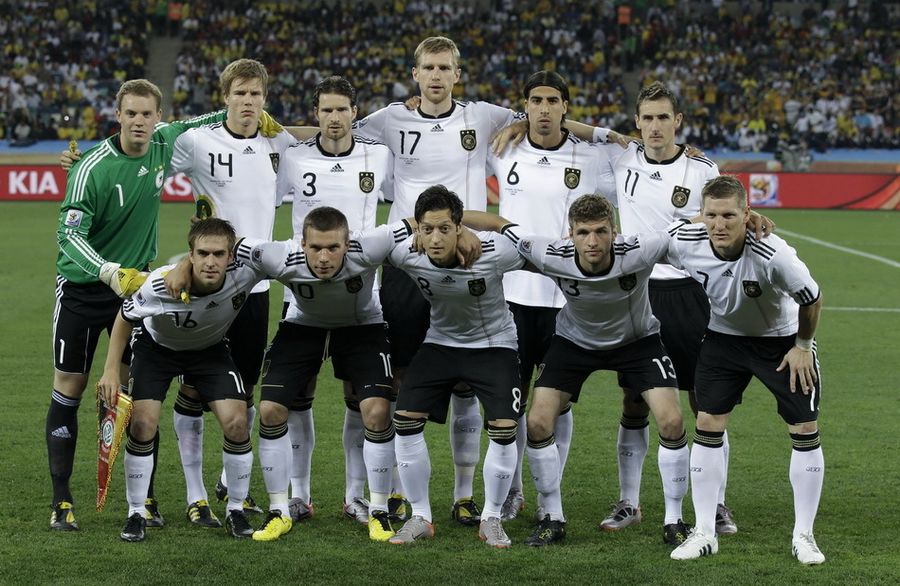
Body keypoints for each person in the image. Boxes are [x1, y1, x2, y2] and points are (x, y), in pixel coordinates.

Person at [48, 79, 224, 531]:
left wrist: (248, 115)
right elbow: (69, 236)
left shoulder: (164, 142)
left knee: (135, 392)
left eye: (148, 114)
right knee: (71, 384)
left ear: (156, 116)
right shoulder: (93, 168)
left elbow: (203, 119)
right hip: (86, 288)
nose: (140, 122)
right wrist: (109, 270)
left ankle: (143, 498)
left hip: (139, 291)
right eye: (132, 114)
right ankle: (61, 499)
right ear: (118, 115)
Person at [467, 194, 690, 547]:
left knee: (672, 421)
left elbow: (688, 228)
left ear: (614, 232)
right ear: (569, 234)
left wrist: (748, 219)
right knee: (538, 421)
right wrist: (452, 222)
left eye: (601, 231)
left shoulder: (640, 250)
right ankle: (552, 517)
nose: (592, 241)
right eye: (583, 232)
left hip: (637, 342)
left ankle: (674, 519)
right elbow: (502, 227)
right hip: (574, 343)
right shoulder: (550, 253)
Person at [599, 81, 737, 540]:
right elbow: (569, 130)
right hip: (636, 293)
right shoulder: (621, 160)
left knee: (705, 400)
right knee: (634, 398)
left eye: (664, 117)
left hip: (692, 294)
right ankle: (629, 501)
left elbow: (727, 214)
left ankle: (715, 503)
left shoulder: (702, 169)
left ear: (678, 121)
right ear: (636, 123)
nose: (656, 126)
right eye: (647, 118)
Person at [668, 176, 825, 565]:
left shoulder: (774, 254)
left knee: (804, 427)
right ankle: (704, 532)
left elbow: (812, 297)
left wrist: (803, 346)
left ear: (747, 215)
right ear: (700, 216)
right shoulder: (685, 241)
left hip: (782, 341)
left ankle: (804, 536)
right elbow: (651, 242)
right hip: (723, 339)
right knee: (707, 422)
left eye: (729, 215)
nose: (719, 224)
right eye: (712, 216)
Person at [165, 58, 294, 527]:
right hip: (206, 285)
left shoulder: (278, 143)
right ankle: (195, 494)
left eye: (255, 95)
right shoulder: (197, 141)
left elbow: (319, 134)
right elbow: (148, 155)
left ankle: (226, 480)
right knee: (195, 385)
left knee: (243, 386)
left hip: (253, 288)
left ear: (264, 101)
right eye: (239, 94)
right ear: (225, 97)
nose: (247, 102)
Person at [234, 207, 414, 542]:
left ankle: (376, 510)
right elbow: (232, 246)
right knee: (272, 410)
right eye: (315, 247)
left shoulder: (371, 245)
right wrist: (184, 267)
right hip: (303, 327)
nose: (324, 257)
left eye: (333, 247)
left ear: (349, 244)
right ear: (302, 244)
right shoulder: (281, 256)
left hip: (361, 327)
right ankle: (280, 510)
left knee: (376, 410)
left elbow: (420, 223)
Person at [486, 70, 620, 520]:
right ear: (524, 106)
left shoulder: (591, 160)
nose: (543, 108)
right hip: (512, 296)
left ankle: (551, 492)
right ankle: (515, 491)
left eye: (552, 101)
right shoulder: (503, 149)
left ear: (566, 106)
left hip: (568, 299)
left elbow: (633, 157)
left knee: (558, 401)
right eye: (535, 101)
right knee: (515, 398)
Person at [96, 218, 265, 542]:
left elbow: (276, 258)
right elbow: (125, 318)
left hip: (210, 351)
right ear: (191, 254)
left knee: (237, 422)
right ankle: (136, 512)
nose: (211, 261)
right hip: (156, 349)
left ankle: (236, 510)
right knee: (142, 425)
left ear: (232, 256)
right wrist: (111, 370)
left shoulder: (246, 274)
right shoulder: (161, 283)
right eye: (203, 253)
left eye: (219, 254)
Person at [274, 75, 392, 526]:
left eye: (342, 109)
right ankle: (299, 494)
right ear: (316, 114)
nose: (334, 117)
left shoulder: (378, 155)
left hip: (361, 297)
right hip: (302, 294)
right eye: (326, 110)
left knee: (358, 398)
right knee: (299, 395)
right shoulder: (292, 157)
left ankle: (355, 495)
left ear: (354, 113)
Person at [386, 185, 525, 548]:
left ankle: (492, 518)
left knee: (504, 427)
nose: (435, 238)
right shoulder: (405, 253)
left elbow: (534, 246)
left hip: (494, 345)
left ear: (459, 228)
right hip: (441, 344)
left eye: (445, 228)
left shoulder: (495, 253)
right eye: (427, 229)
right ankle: (420, 516)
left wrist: (484, 227)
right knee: (404, 419)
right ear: (417, 229)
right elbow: (364, 244)